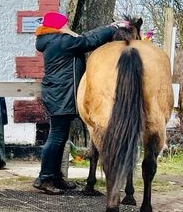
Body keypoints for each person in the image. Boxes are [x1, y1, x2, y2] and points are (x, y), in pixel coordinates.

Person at [32, 11, 130, 194]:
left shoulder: (52, 40)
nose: (68, 27)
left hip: (59, 94)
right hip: (61, 95)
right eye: (65, 24)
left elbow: (84, 37)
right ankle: (44, 178)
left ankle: (55, 177)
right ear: (58, 26)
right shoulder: (61, 42)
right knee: (55, 137)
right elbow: (88, 40)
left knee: (60, 137)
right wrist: (113, 29)